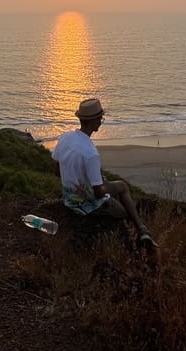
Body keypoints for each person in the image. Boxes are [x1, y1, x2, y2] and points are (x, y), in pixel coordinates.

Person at [51, 98, 154, 246]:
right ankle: (141, 230)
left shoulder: (65, 138)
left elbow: (57, 170)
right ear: (93, 121)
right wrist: (104, 185)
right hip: (87, 204)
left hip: (69, 198)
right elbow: (99, 193)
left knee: (118, 186)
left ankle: (141, 230)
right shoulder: (90, 153)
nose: (101, 121)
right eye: (100, 118)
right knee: (122, 202)